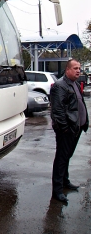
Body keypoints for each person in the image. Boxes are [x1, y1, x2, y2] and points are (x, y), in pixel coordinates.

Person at [50, 59, 89, 203]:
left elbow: (79, 105)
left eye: (79, 68)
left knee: (67, 156)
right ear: (67, 70)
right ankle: (57, 191)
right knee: (61, 158)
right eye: (75, 68)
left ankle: (65, 181)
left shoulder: (76, 84)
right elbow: (58, 111)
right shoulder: (60, 86)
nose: (78, 70)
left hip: (76, 128)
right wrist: (65, 128)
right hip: (67, 130)